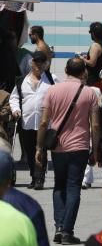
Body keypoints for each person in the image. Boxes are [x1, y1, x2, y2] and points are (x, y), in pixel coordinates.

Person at [36, 57, 101, 245]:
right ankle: (67, 231)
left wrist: (40, 147)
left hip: (58, 147)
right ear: (84, 72)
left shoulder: (52, 90)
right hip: (80, 146)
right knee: (73, 187)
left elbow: (43, 122)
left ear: (66, 70)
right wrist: (95, 149)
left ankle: (58, 227)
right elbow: (95, 125)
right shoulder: (89, 93)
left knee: (59, 185)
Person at [11, 51, 54, 190]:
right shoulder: (22, 80)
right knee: (30, 152)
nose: (39, 65)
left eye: (42, 62)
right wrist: (16, 109)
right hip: (27, 122)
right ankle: (33, 176)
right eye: (36, 62)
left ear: (46, 64)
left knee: (41, 150)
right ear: (32, 63)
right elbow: (14, 98)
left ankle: (39, 178)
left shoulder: (51, 79)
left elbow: (59, 95)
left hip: (45, 123)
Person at [82, 21, 102, 87]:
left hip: (93, 80)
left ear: (93, 33)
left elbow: (92, 63)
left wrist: (82, 59)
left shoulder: (95, 45)